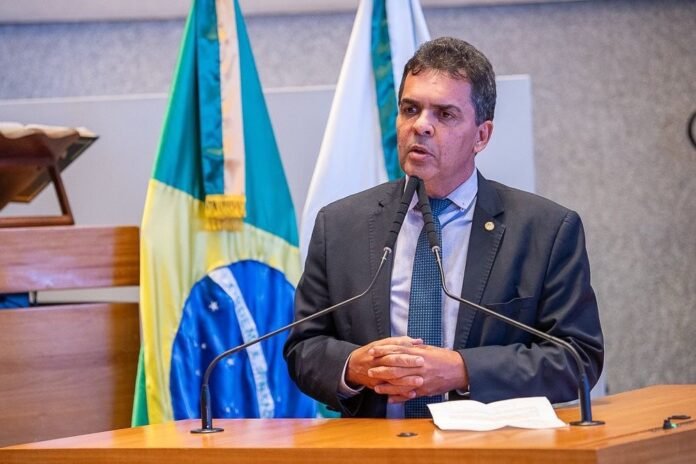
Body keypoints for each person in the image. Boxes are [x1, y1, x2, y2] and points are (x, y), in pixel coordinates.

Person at [284, 37, 603, 418]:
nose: (421, 126)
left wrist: (462, 370)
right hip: (377, 444)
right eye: (410, 109)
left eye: (445, 114)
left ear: (481, 136)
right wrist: (353, 366)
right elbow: (303, 347)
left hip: (491, 445)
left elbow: (577, 358)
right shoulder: (339, 225)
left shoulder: (544, 231)